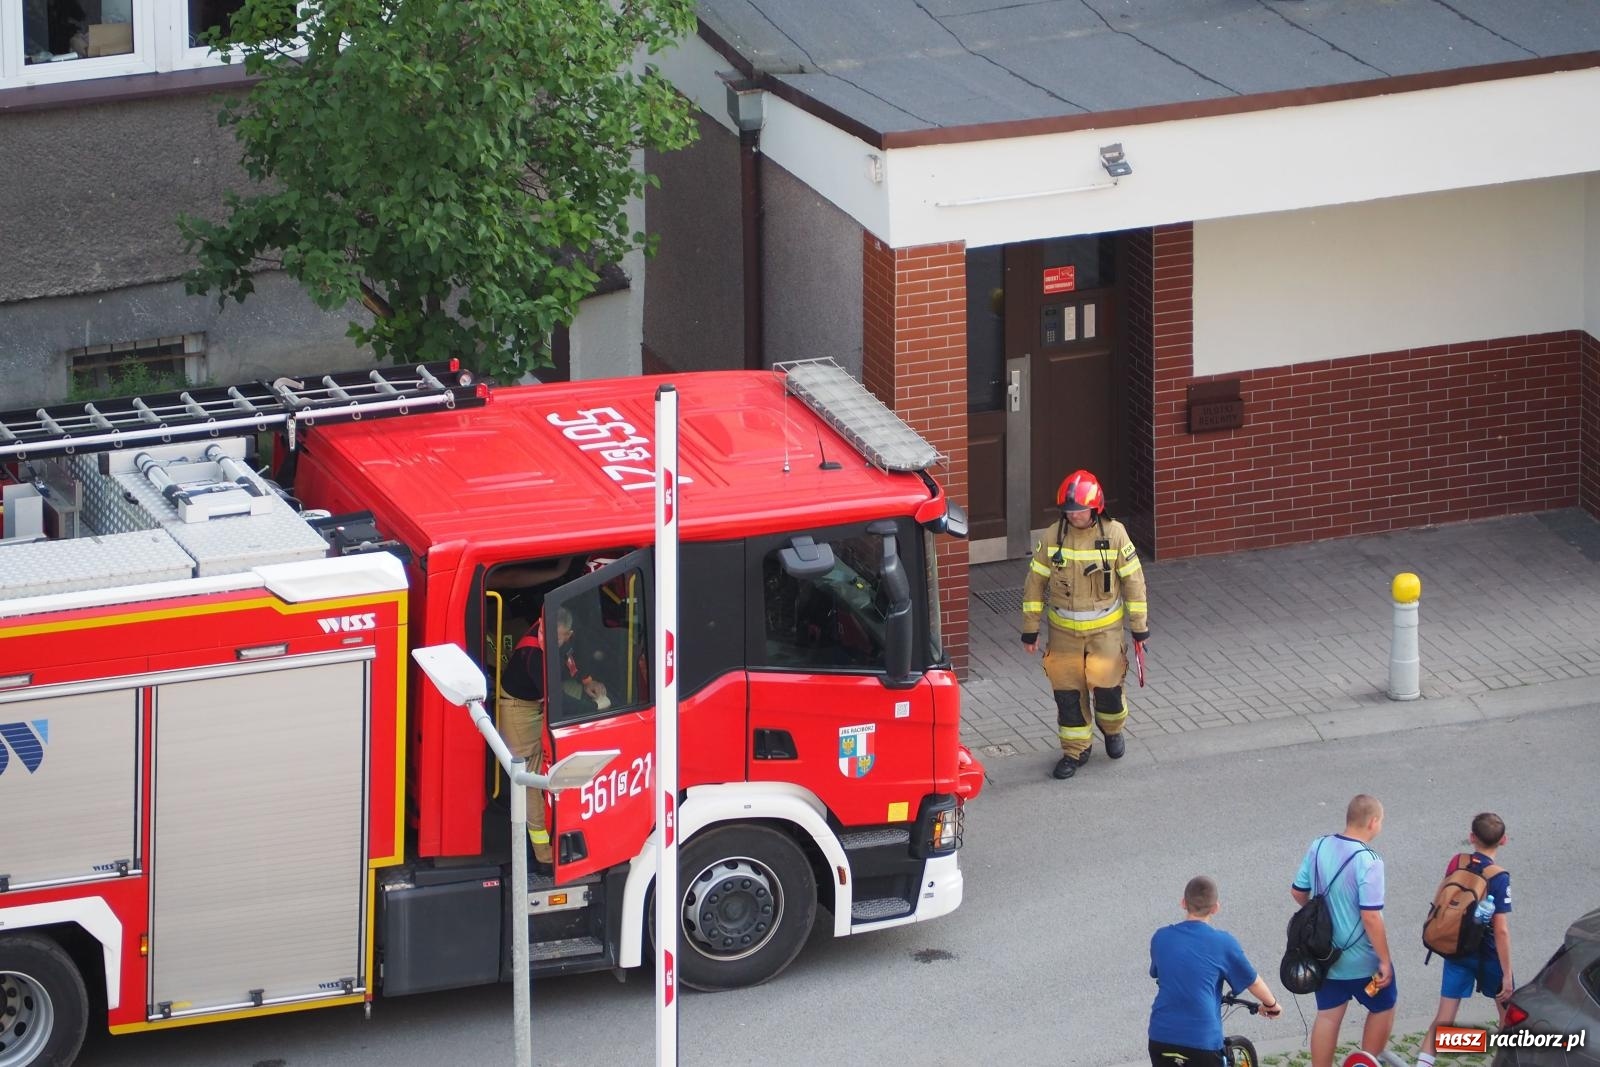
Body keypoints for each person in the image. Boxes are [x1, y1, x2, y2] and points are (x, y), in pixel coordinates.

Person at [1020, 468, 1148, 779]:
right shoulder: (1053, 536)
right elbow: (1035, 583)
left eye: (1080, 511)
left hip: (1105, 632)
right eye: (1070, 511)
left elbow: (1133, 582)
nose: (1075, 516)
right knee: (1067, 696)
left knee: (1107, 690)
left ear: (1096, 507)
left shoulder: (1115, 534)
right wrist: (1030, 628)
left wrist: (1140, 627)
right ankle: (1075, 751)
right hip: (1063, 634)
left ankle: (1112, 730)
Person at [1291, 794, 1395, 1067]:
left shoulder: (1319, 845)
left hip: (1324, 954)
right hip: (1363, 960)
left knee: (1328, 1015)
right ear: (1373, 822)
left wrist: (1319, 917)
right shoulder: (1370, 860)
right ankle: (1364, 1063)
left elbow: (1298, 891)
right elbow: (1371, 916)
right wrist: (1384, 959)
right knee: (1383, 1005)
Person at [1149, 875, 1283, 1067]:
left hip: (1160, 1036)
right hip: (1201, 1042)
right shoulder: (1223, 943)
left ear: (1183, 903)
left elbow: (1159, 973)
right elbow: (1252, 981)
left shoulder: (1160, 937)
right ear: (1215, 908)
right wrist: (1271, 1005)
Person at [1415, 813, 1514, 1067]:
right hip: (1489, 955)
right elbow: (1501, 930)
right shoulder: (1499, 877)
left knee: (1444, 1017)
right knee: (1509, 1018)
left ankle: (1422, 1064)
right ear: (1503, 840)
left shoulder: (1457, 862)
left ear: (1471, 838)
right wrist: (1507, 974)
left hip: (1456, 949)